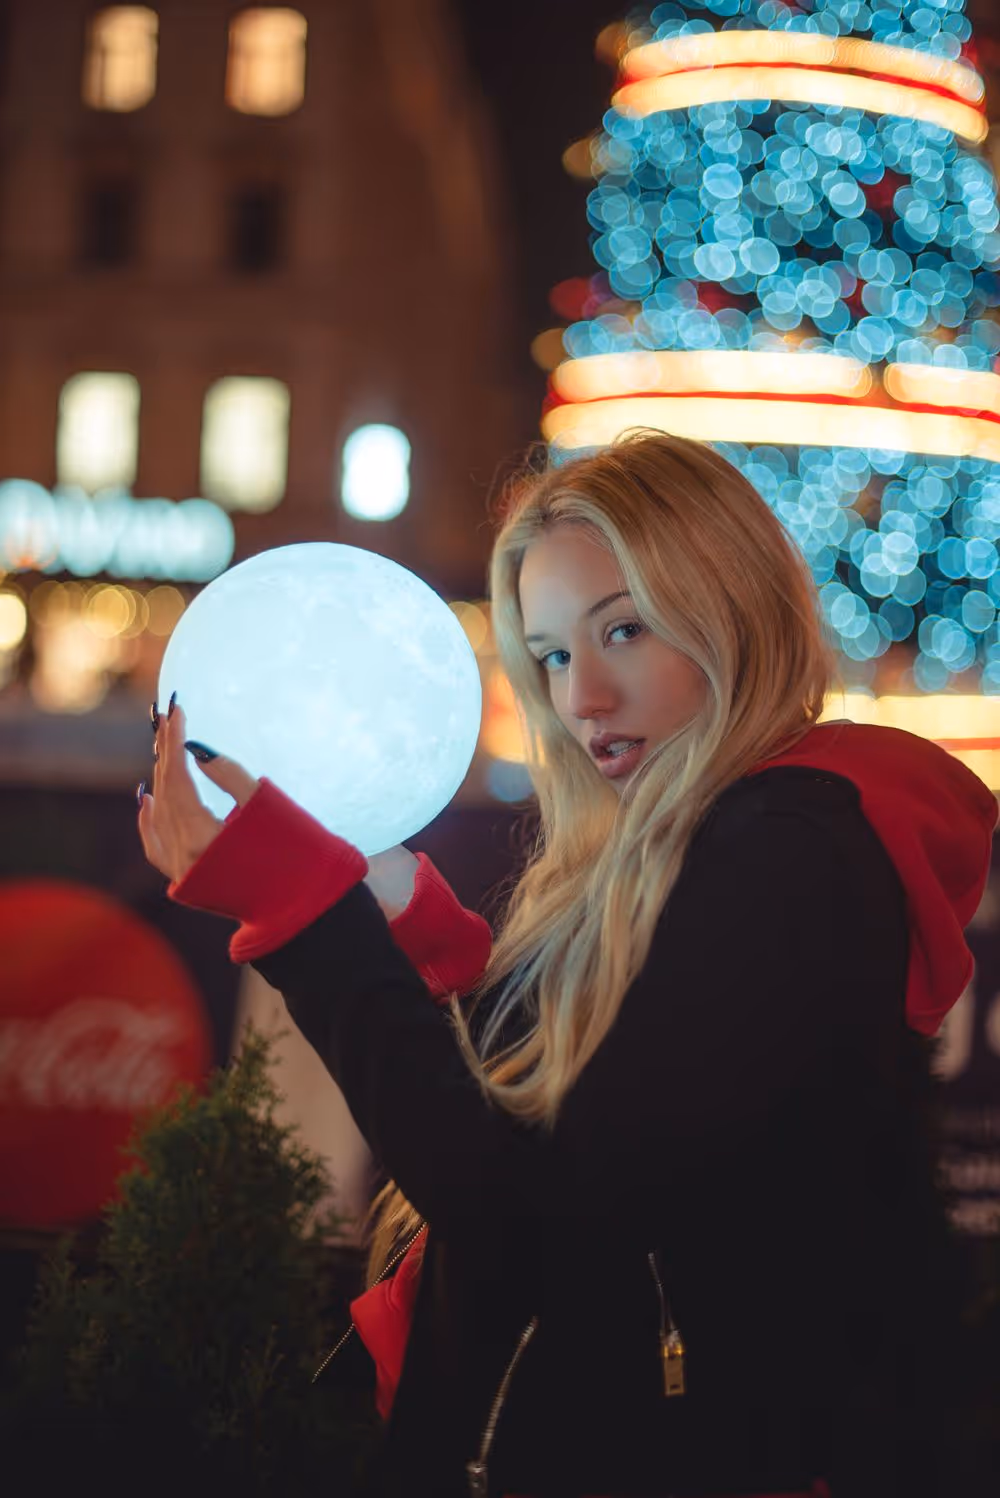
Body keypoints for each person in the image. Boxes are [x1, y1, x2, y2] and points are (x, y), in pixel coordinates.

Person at [138, 431, 998, 1498]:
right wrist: (419, 924)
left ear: (730, 606)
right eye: (548, 654)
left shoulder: (788, 853)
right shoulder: (715, 835)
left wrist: (304, 926)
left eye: (622, 630)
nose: (580, 696)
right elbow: (598, 1113)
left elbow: (530, 1216)